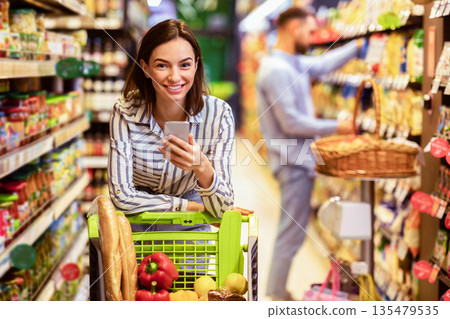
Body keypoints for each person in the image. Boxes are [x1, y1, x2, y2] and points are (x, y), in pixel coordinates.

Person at [256, 7, 363, 300]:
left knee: (292, 230)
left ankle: (277, 291)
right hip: (292, 162)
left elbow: (322, 65)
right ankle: (276, 295)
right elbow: (291, 122)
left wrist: (358, 47)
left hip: (297, 159)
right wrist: (338, 126)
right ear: (294, 29)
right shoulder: (277, 70)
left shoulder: (290, 62)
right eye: (309, 30)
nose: (312, 36)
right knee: (291, 233)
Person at [108, 19, 235, 222]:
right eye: (162, 65)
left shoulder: (219, 115)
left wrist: (201, 166)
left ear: (196, 66)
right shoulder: (125, 111)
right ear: (146, 68)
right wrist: (188, 206)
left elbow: (223, 210)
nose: (175, 77)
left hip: (191, 232)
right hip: (138, 229)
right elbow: (121, 197)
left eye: (184, 65)